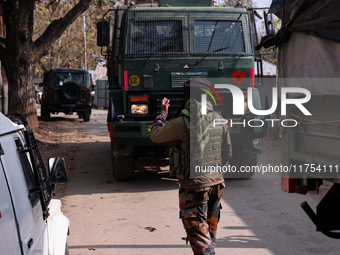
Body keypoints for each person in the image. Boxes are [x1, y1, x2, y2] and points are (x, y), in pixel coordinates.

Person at [150, 78, 232, 255]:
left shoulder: (183, 123)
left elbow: (156, 135)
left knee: (200, 240)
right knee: (207, 235)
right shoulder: (219, 119)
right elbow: (227, 153)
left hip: (194, 188)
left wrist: (162, 114)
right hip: (217, 184)